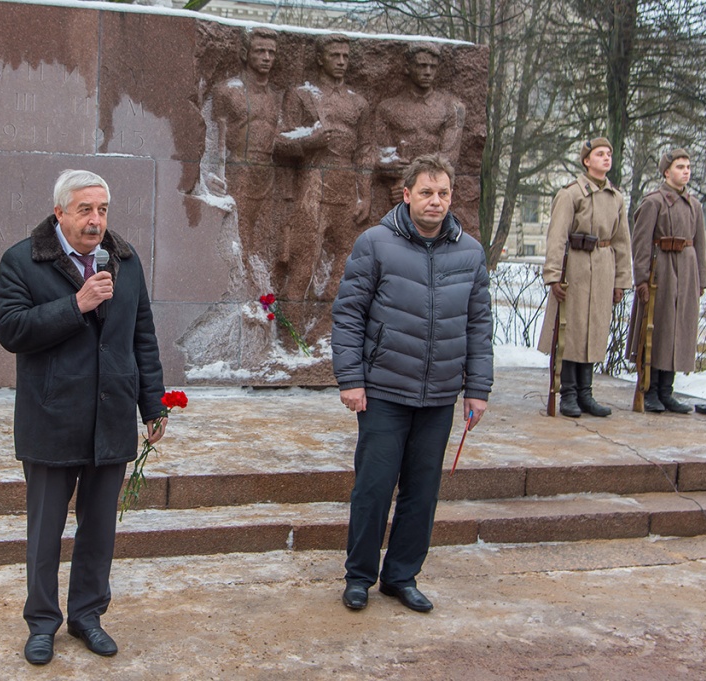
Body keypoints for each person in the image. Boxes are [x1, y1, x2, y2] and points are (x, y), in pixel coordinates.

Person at [0, 169, 167, 665]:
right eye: (85, 210)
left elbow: (143, 338)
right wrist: (76, 304)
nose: (96, 221)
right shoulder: (22, 261)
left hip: (110, 417)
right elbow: (11, 330)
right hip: (52, 418)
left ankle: (88, 615)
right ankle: (42, 623)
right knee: (45, 531)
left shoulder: (125, 261)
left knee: (99, 531)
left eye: (103, 210)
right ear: (59, 213)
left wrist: (151, 404)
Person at [332, 154, 493, 613]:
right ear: (406, 195)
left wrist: (477, 389)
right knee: (374, 489)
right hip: (383, 390)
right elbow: (348, 315)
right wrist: (351, 378)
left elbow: (479, 325)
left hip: (440, 395)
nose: (435, 201)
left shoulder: (470, 253)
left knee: (422, 494)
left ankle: (401, 576)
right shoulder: (376, 244)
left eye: (443, 193)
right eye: (426, 192)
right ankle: (359, 576)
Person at [537, 137, 632, 417]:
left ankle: (586, 393)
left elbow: (621, 241)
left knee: (594, 330)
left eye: (609, 154)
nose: (606, 158)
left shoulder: (616, 198)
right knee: (572, 330)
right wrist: (554, 276)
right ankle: (567, 393)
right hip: (575, 266)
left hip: (603, 268)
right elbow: (556, 237)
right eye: (599, 154)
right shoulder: (571, 194)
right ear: (586, 161)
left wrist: (621, 281)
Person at [276, 33, 372, 301]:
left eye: (346, 57)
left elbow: (365, 150)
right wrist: (309, 142)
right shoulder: (301, 95)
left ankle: (324, 331)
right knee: (303, 264)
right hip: (312, 184)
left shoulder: (358, 103)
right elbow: (279, 140)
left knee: (348, 265)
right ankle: (289, 335)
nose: (342, 62)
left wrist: (364, 195)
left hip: (346, 186)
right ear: (320, 58)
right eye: (335, 56)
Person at [626, 148, 706, 413]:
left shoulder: (695, 205)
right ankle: (650, 390)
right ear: (666, 171)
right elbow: (640, 244)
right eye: (680, 166)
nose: (686, 171)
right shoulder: (653, 202)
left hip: (686, 271)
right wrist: (641, 280)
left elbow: (701, 245)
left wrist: (701, 280)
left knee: (678, 332)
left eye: (688, 167)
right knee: (657, 330)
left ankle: (667, 391)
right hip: (660, 272)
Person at [206, 27, 284, 268]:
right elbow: (213, 137)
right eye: (260, 51)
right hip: (237, 172)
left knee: (261, 241)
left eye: (271, 52)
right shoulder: (227, 91)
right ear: (245, 53)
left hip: (267, 175)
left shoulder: (275, 96)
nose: (267, 57)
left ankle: (258, 298)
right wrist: (213, 174)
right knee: (237, 237)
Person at [373, 43, 466, 208]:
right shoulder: (387, 109)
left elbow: (448, 158)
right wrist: (394, 174)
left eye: (432, 67)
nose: (428, 72)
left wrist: (412, 186)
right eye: (422, 66)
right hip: (393, 194)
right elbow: (379, 156)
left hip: (435, 195)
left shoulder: (452, 107)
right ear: (408, 67)